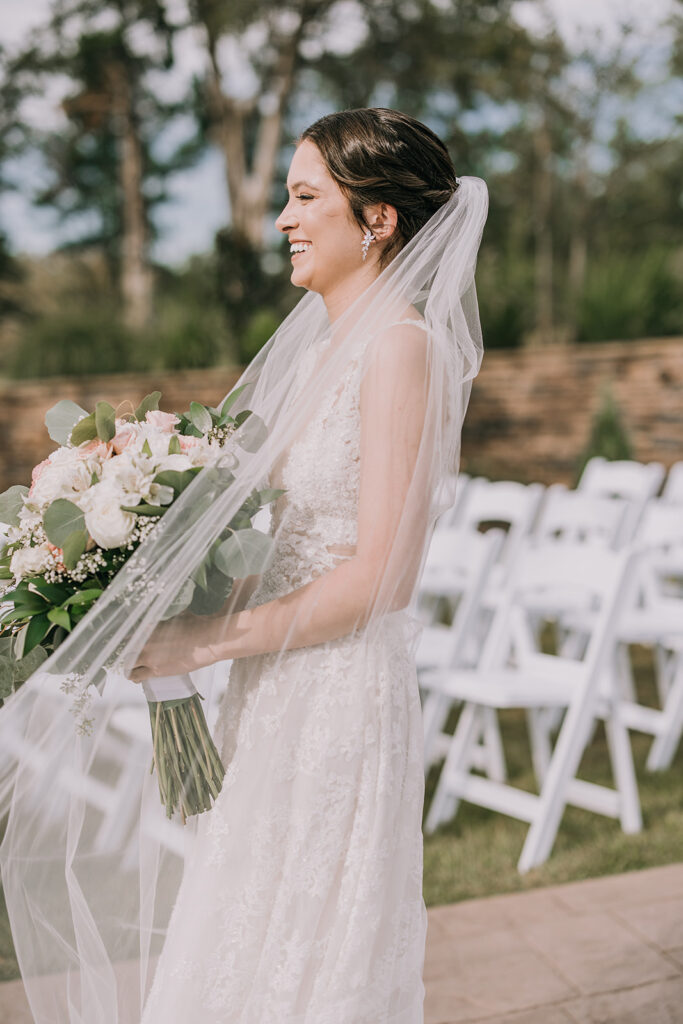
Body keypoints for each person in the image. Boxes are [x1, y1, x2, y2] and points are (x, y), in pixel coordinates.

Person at [0, 108, 488, 1023]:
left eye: (306, 198)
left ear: (377, 219)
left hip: (336, 691)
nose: (283, 221)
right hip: (272, 683)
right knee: (243, 936)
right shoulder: (320, 348)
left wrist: (202, 640)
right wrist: (148, 560)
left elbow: (382, 575)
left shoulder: (399, 349)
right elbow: (270, 532)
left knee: (308, 952)